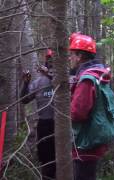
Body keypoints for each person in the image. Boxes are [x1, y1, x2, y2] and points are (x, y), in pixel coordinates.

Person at [69, 33, 114, 180]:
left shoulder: (86, 80)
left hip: (86, 141)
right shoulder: (98, 74)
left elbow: (77, 113)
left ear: (79, 56)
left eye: (71, 54)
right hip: (95, 136)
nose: (69, 58)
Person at [20, 49, 56, 180]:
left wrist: (50, 75)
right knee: (46, 160)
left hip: (63, 125)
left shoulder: (67, 79)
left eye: (53, 60)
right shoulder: (39, 82)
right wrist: (26, 83)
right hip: (44, 125)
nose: (51, 63)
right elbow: (24, 99)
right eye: (49, 60)